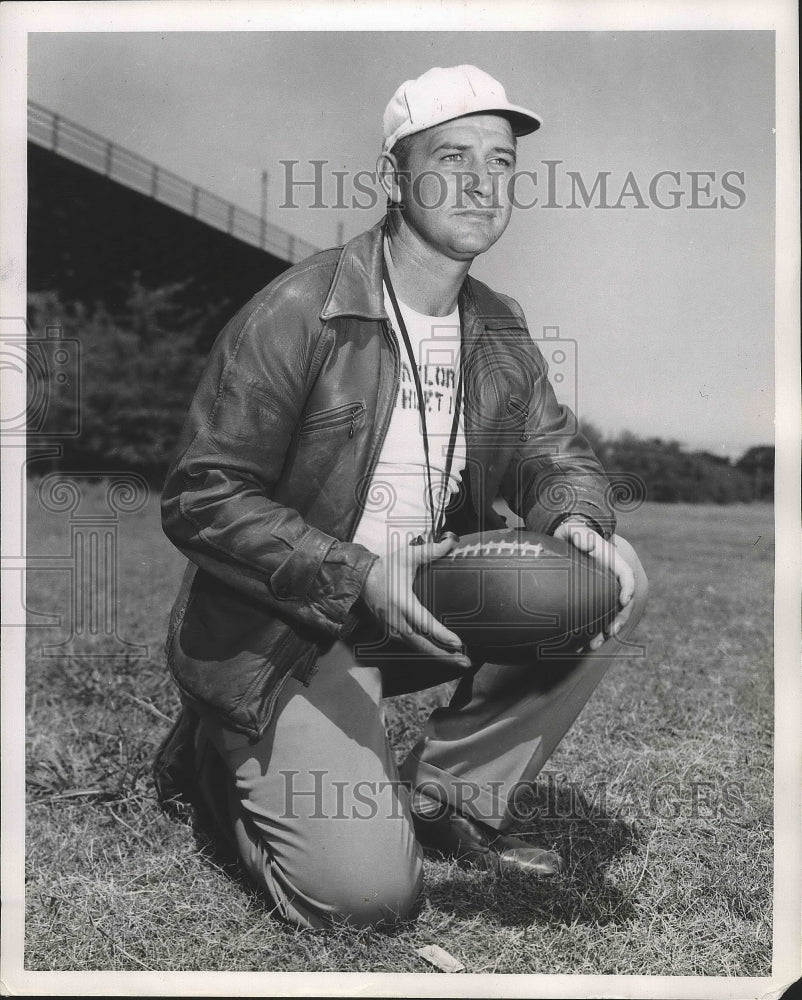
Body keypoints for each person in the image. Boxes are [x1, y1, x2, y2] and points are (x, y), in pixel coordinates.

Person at [154, 65, 648, 930]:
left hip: (410, 606)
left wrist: (576, 514)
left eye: (498, 163)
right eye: (449, 156)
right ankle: (213, 758)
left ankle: (447, 797)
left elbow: (550, 449)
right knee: (371, 900)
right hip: (290, 630)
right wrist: (355, 572)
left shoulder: (496, 323)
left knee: (606, 579)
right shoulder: (302, 310)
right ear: (392, 179)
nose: (478, 182)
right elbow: (201, 494)